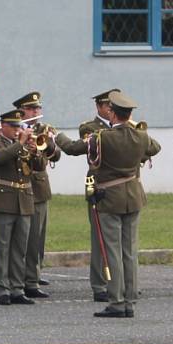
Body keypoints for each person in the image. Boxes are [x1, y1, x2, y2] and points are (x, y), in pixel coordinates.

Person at [58, 91, 161, 318]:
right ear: (130, 114)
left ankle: (116, 301)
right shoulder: (140, 136)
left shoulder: (102, 137)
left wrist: (57, 137)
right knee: (130, 251)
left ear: (112, 113)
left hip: (110, 197)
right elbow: (155, 148)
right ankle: (130, 299)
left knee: (112, 251)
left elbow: (72, 148)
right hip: (133, 196)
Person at [55, 89, 120, 302]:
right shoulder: (90, 127)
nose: (112, 110)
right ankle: (100, 284)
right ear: (100, 107)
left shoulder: (124, 127)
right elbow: (82, 147)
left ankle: (120, 282)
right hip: (99, 186)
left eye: (114, 107)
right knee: (100, 237)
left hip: (121, 187)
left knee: (122, 240)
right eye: (108, 106)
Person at [0, 109, 41, 306]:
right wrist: (20, 143)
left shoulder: (23, 146)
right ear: (4, 127)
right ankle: (2, 289)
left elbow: (39, 167)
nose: (18, 129)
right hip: (4, 200)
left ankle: (17, 288)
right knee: (2, 248)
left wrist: (36, 152)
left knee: (20, 248)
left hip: (24, 200)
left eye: (20, 126)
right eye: (14, 126)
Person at [12, 91, 61, 298]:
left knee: (38, 237)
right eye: (32, 109)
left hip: (39, 187)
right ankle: (22, 277)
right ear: (21, 111)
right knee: (24, 236)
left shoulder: (45, 129)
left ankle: (34, 274)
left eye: (38, 108)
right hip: (20, 185)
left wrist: (48, 143)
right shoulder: (13, 129)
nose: (36, 112)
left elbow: (56, 155)